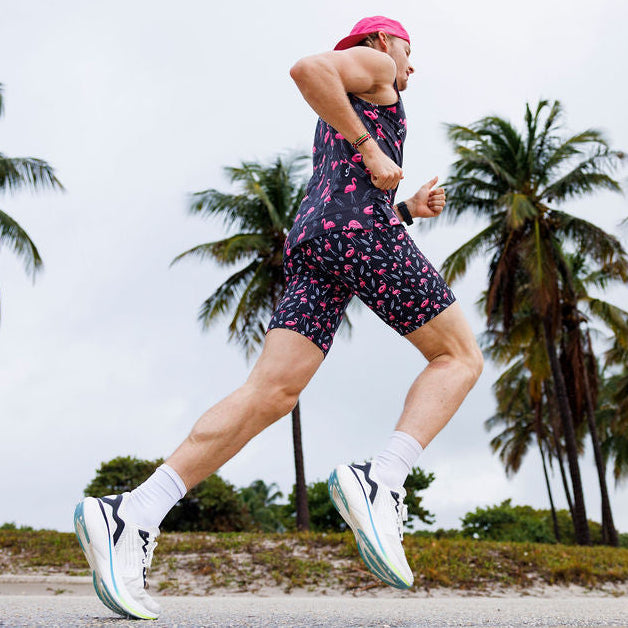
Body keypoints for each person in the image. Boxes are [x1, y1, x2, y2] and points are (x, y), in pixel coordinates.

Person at [74, 15, 483, 619]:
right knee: (459, 357)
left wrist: (406, 211)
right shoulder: (374, 66)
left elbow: (347, 192)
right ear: (380, 41)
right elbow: (305, 67)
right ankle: (384, 480)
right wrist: (373, 148)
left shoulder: (348, 100)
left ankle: (131, 513)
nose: (411, 64)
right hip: (354, 233)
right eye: (407, 48)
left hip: (319, 239)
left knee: (270, 393)